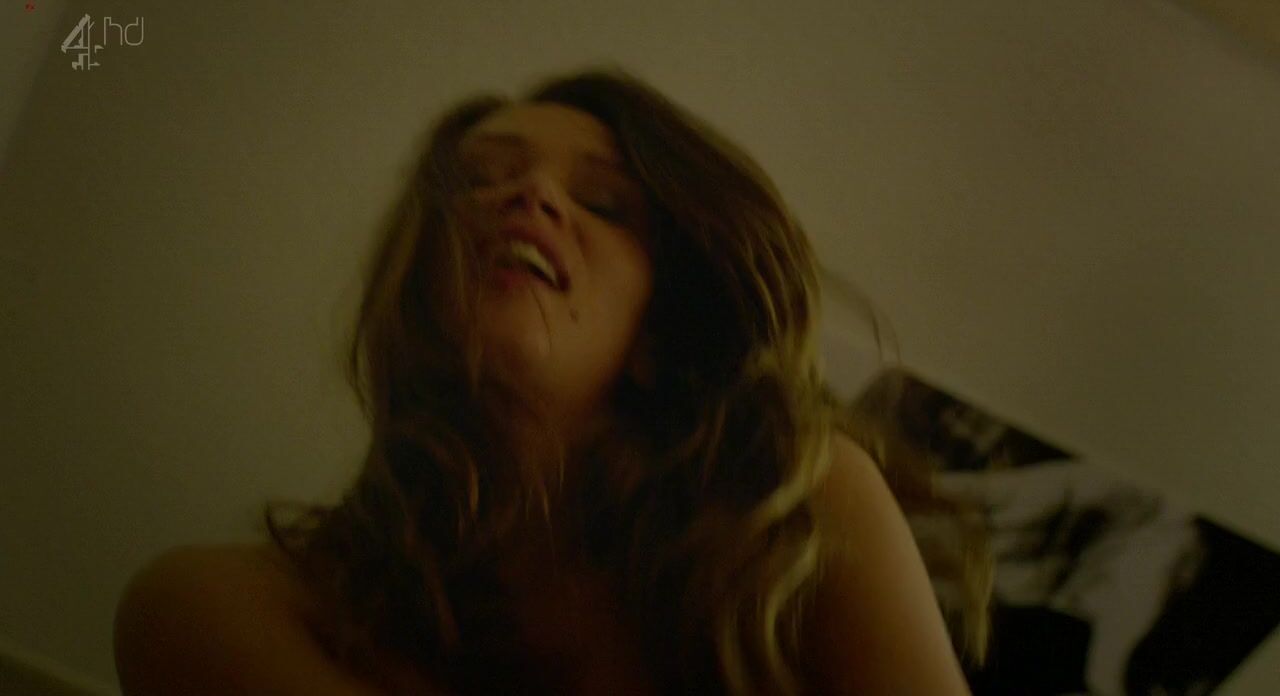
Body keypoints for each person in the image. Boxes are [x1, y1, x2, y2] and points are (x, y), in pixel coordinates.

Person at [113, 66, 992, 695]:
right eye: (480, 180)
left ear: (655, 338)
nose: (532, 197)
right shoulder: (218, 606)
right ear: (414, 288)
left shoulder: (800, 511)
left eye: (603, 204)